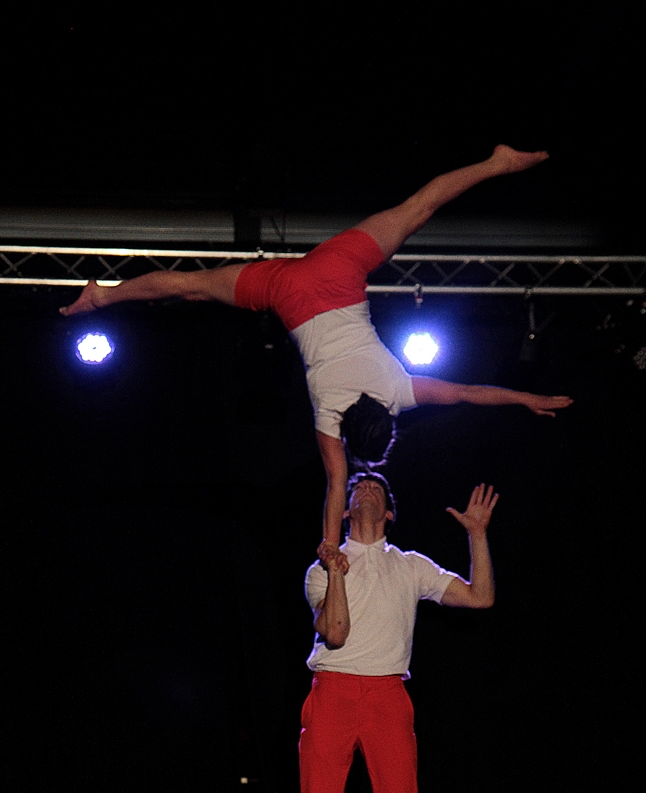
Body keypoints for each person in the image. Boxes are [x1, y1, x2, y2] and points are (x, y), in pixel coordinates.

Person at [60, 145, 571, 553]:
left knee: (417, 210)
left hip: (339, 274)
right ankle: (104, 295)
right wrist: (329, 548)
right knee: (189, 286)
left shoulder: (399, 391)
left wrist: (525, 398)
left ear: (390, 422)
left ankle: (496, 163)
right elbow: (334, 488)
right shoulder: (330, 418)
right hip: (289, 293)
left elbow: (464, 393)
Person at [298, 472, 498, 793]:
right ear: (344, 509)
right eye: (357, 486)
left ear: (389, 511)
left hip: (389, 696)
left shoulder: (410, 566)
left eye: (378, 489)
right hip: (333, 694)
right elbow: (336, 634)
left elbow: (481, 597)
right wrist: (339, 571)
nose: (366, 487)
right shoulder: (320, 570)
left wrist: (476, 534)